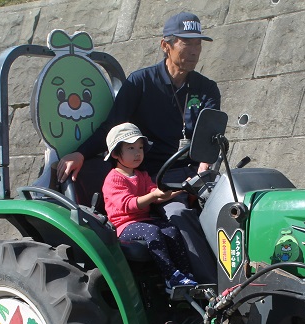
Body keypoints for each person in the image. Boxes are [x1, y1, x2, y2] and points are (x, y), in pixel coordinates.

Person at [56, 12, 220, 283]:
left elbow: (210, 138)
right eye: (185, 43)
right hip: (154, 177)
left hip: (196, 172)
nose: (194, 51)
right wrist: (81, 153)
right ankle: (210, 288)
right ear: (165, 45)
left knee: (231, 202)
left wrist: (202, 173)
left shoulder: (207, 89)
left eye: (198, 44)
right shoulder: (140, 83)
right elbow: (113, 126)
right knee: (179, 213)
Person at [102, 123, 199, 289]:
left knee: (171, 229)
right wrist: (153, 195)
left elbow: (158, 195)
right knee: (152, 231)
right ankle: (170, 276)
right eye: (131, 148)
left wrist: (182, 187)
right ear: (116, 153)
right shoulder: (114, 179)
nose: (138, 153)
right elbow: (128, 205)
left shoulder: (142, 175)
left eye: (140, 148)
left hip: (143, 220)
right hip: (124, 226)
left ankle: (186, 274)